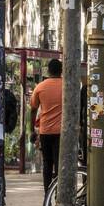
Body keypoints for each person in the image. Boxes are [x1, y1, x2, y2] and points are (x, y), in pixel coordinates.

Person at [30, 58, 64, 196]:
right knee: (59, 163)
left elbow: (33, 109)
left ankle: (47, 194)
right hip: (61, 131)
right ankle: (58, 194)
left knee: (47, 163)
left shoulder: (40, 87)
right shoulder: (67, 86)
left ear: (48, 71)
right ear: (61, 70)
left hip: (45, 131)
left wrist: (32, 129)